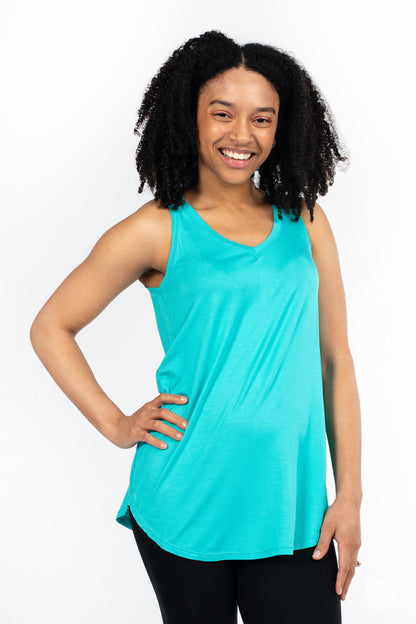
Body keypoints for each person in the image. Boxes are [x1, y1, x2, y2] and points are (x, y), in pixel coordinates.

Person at [30, 30, 362, 624]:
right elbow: (51, 326)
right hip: (184, 499)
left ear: (281, 127)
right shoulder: (156, 228)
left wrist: (351, 495)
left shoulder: (306, 220)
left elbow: (335, 358)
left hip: (290, 506)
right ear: (191, 117)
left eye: (262, 118)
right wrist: (116, 423)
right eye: (223, 114)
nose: (243, 135)